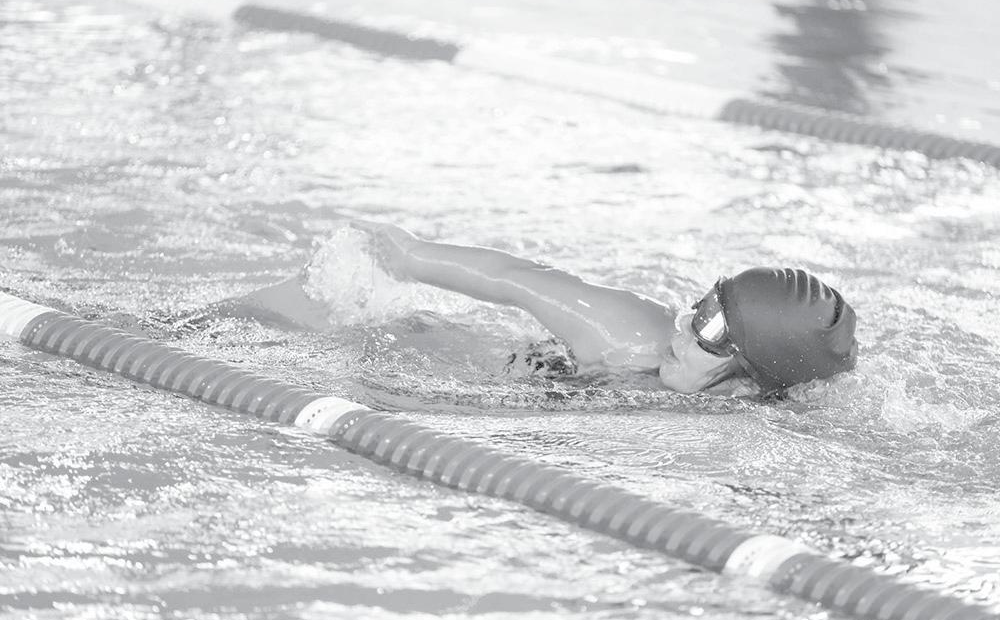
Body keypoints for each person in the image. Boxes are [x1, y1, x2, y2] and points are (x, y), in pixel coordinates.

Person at [349, 220, 858, 397]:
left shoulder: (763, 418)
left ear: (749, 382)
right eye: (702, 305)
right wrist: (407, 256)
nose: (683, 326)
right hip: (542, 370)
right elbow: (520, 280)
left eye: (711, 328)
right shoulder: (630, 335)